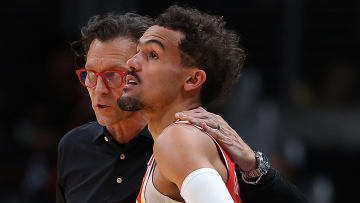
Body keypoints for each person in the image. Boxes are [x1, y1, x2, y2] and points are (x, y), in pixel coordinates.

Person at [57, 11, 307, 203]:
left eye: (152, 55)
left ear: (192, 79)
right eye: (90, 74)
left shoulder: (178, 139)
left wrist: (254, 164)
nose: (133, 63)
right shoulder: (75, 145)